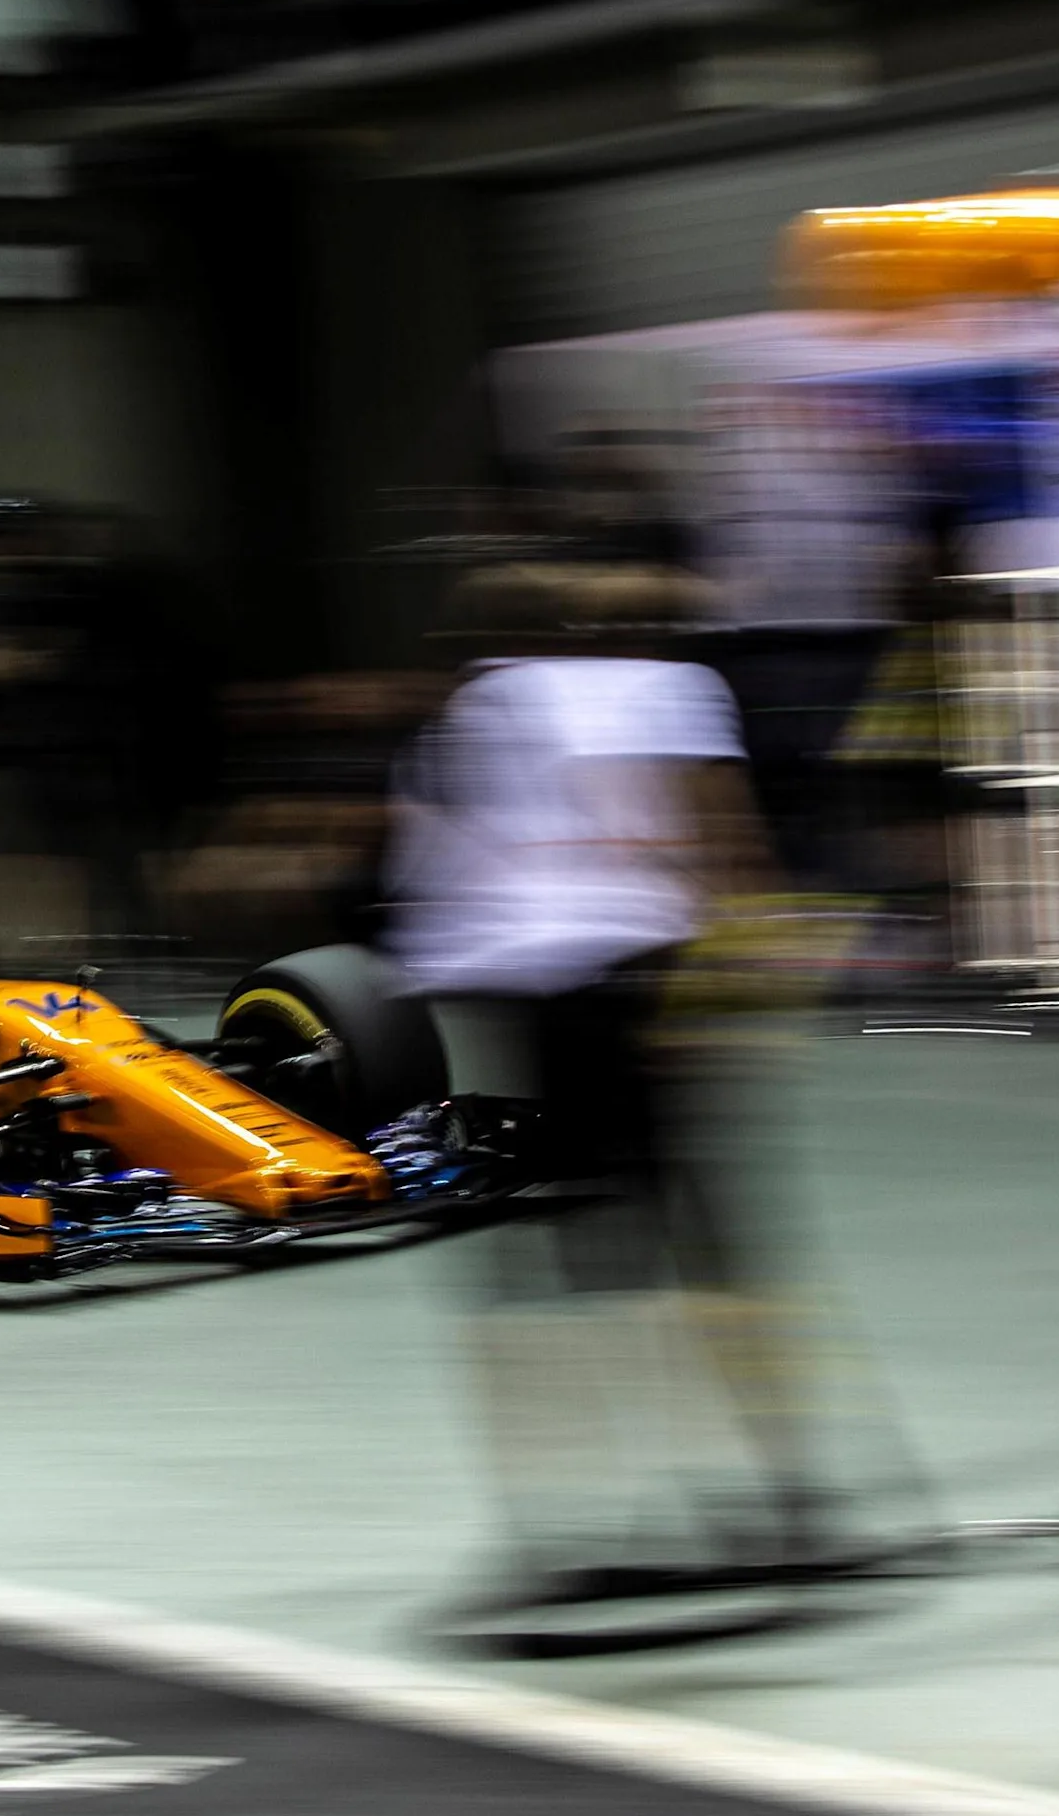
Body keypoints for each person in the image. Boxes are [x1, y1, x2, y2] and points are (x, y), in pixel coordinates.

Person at [386, 559, 854, 1622]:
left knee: (547, 1270)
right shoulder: (659, 686)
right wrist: (742, 989)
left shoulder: (455, 718)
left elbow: (433, 888)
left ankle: (559, 1530)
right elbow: (719, 841)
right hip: (628, 977)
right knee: (706, 1250)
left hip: (504, 1000)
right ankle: (782, 1505)